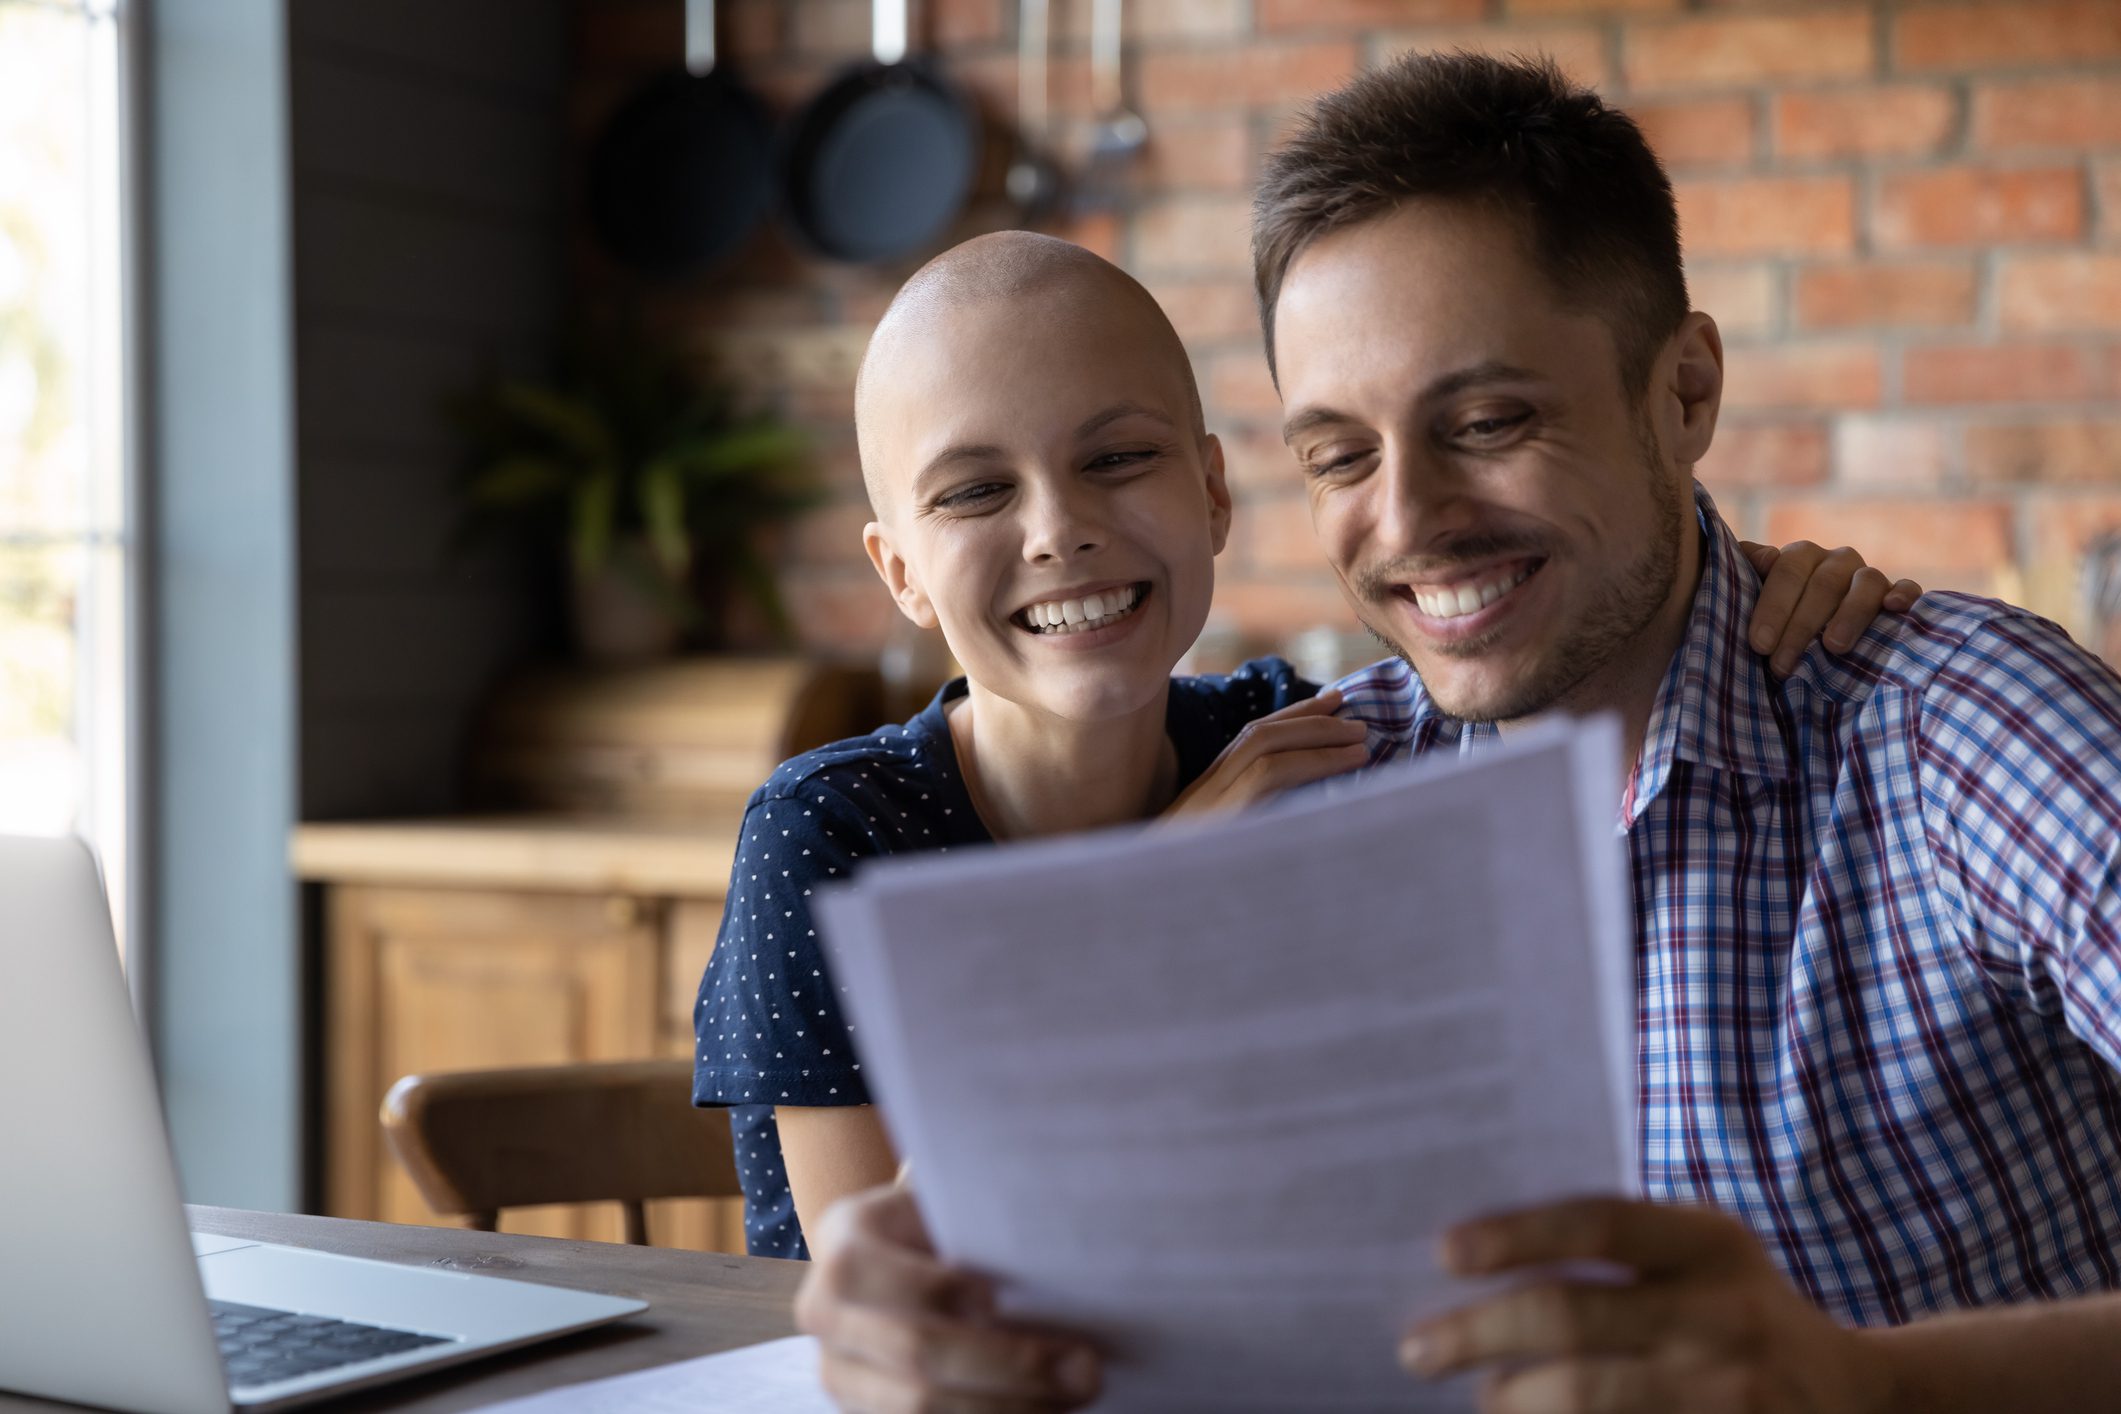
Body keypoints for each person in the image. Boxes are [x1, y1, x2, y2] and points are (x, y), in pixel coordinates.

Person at [791, 53, 2121, 1414]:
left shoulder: (1955, 729)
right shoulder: (1308, 794)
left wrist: (1856, 1384)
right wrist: (901, 1314)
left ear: (1684, 393)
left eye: (1487, 421)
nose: (1411, 522)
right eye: (1340, 457)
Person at [692, 232, 1914, 1269]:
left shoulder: (1295, 737)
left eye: (1118, 459)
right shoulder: (830, 835)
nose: (1060, 529)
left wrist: (1740, 583)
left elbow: (1558, 672)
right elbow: (887, 1282)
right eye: (972, 493)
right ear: (898, 569)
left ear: (1215, 493)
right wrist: (1163, 877)